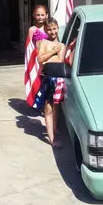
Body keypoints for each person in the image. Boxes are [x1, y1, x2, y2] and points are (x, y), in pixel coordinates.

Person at [33, 18, 65, 147]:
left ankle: (54, 130)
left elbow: (60, 61)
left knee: (56, 107)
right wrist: (53, 52)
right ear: (46, 30)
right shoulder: (44, 43)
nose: (52, 32)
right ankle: (52, 139)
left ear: (58, 28)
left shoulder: (61, 45)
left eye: (54, 29)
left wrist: (49, 58)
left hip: (57, 79)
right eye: (49, 29)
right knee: (48, 108)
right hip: (47, 79)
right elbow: (40, 59)